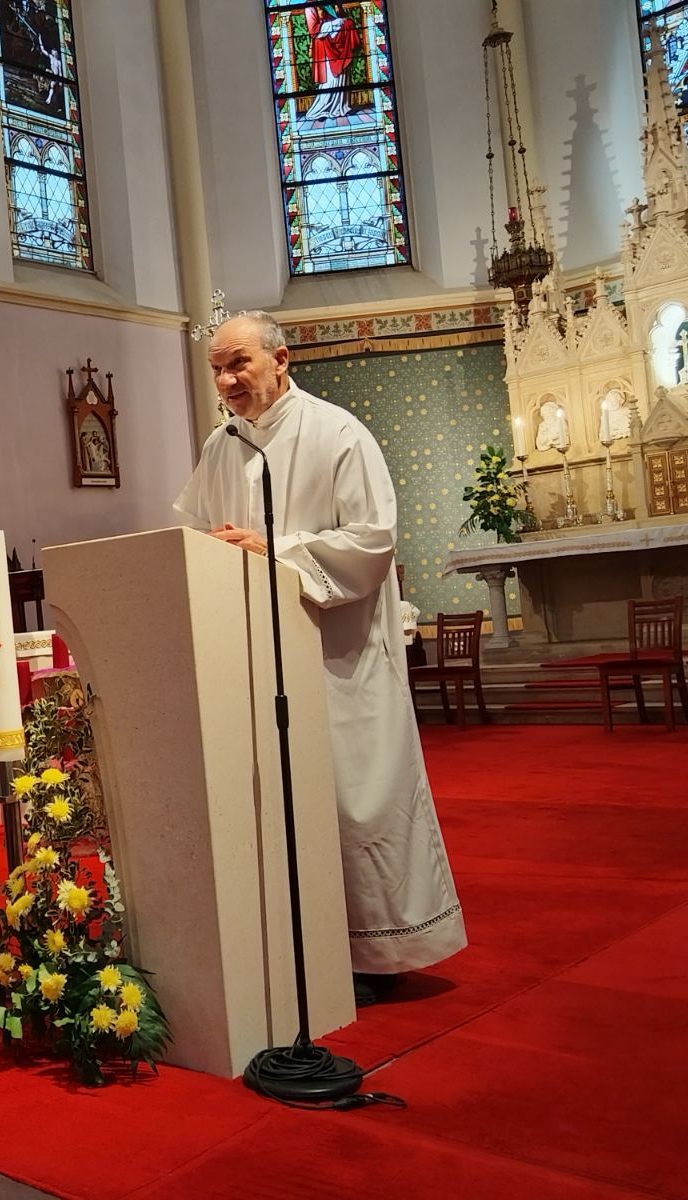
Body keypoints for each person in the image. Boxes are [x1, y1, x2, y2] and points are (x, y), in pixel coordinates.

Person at [173, 310, 466, 1006]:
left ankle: (379, 954)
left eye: (238, 364)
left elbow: (373, 541)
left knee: (352, 804)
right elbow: (188, 534)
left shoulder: (338, 434)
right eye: (216, 369)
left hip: (339, 660)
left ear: (281, 360)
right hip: (252, 659)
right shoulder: (221, 446)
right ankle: (296, 950)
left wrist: (273, 552)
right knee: (275, 806)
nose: (226, 381)